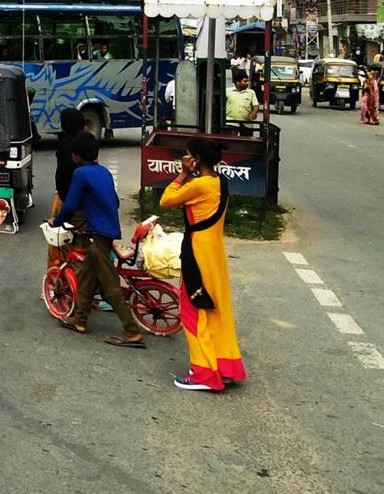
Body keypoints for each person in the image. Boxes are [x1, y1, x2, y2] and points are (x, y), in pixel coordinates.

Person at [159, 139, 245, 391]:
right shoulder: (219, 182)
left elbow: (166, 200)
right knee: (217, 311)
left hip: (197, 254)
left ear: (195, 159)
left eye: (187, 156)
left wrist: (183, 173)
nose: (184, 159)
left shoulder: (198, 185)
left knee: (193, 311)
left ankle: (204, 373)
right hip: (214, 254)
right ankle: (223, 365)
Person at [49, 132, 144, 347]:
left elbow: (71, 205)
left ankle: (132, 331)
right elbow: (114, 202)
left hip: (98, 233)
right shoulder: (104, 172)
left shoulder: (80, 174)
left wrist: (57, 220)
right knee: (87, 276)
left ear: (77, 156)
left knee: (109, 284)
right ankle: (79, 320)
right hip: (107, 229)